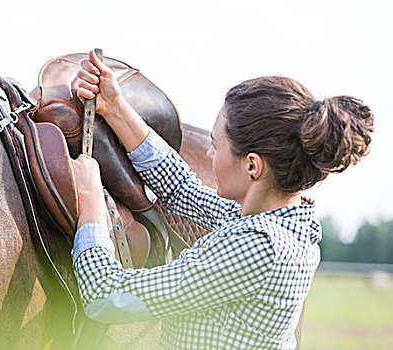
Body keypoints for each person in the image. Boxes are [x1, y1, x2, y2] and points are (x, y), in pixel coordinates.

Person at [70, 50, 374, 349]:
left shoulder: (258, 246)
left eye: (216, 145)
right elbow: (181, 188)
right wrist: (115, 107)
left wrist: (90, 198)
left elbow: (106, 297)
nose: (208, 153)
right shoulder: (282, 223)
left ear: (252, 165)